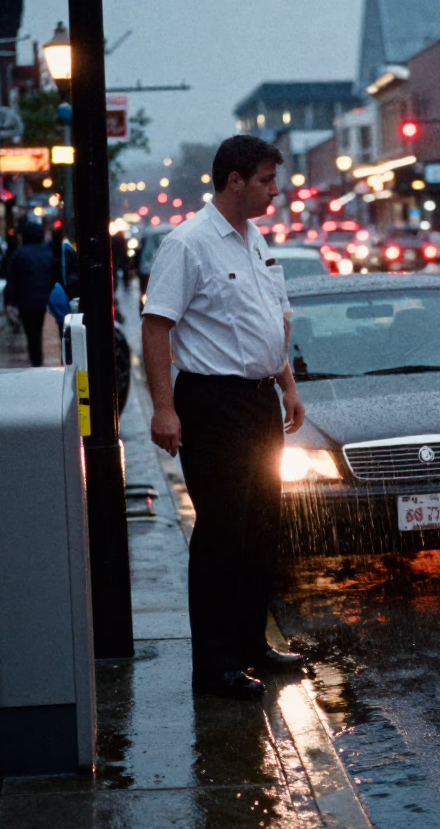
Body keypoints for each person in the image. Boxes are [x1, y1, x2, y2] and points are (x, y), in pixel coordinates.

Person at [141, 135, 306, 701]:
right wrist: (164, 408)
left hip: (259, 399)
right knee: (221, 533)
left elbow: (273, 321)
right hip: (212, 403)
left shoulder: (256, 241)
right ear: (234, 180)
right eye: (265, 179)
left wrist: (286, 384)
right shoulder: (187, 244)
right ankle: (213, 667)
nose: (275, 190)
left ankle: (250, 643)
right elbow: (156, 326)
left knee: (262, 528)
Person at [3, 220, 56, 366]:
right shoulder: (47, 252)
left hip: (25, 301)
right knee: (37, 329)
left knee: (31, 332)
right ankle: (37, 358)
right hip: (43, 299)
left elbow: (12, 279)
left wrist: (10, 302)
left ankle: (35, 359)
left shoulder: (19, 254)